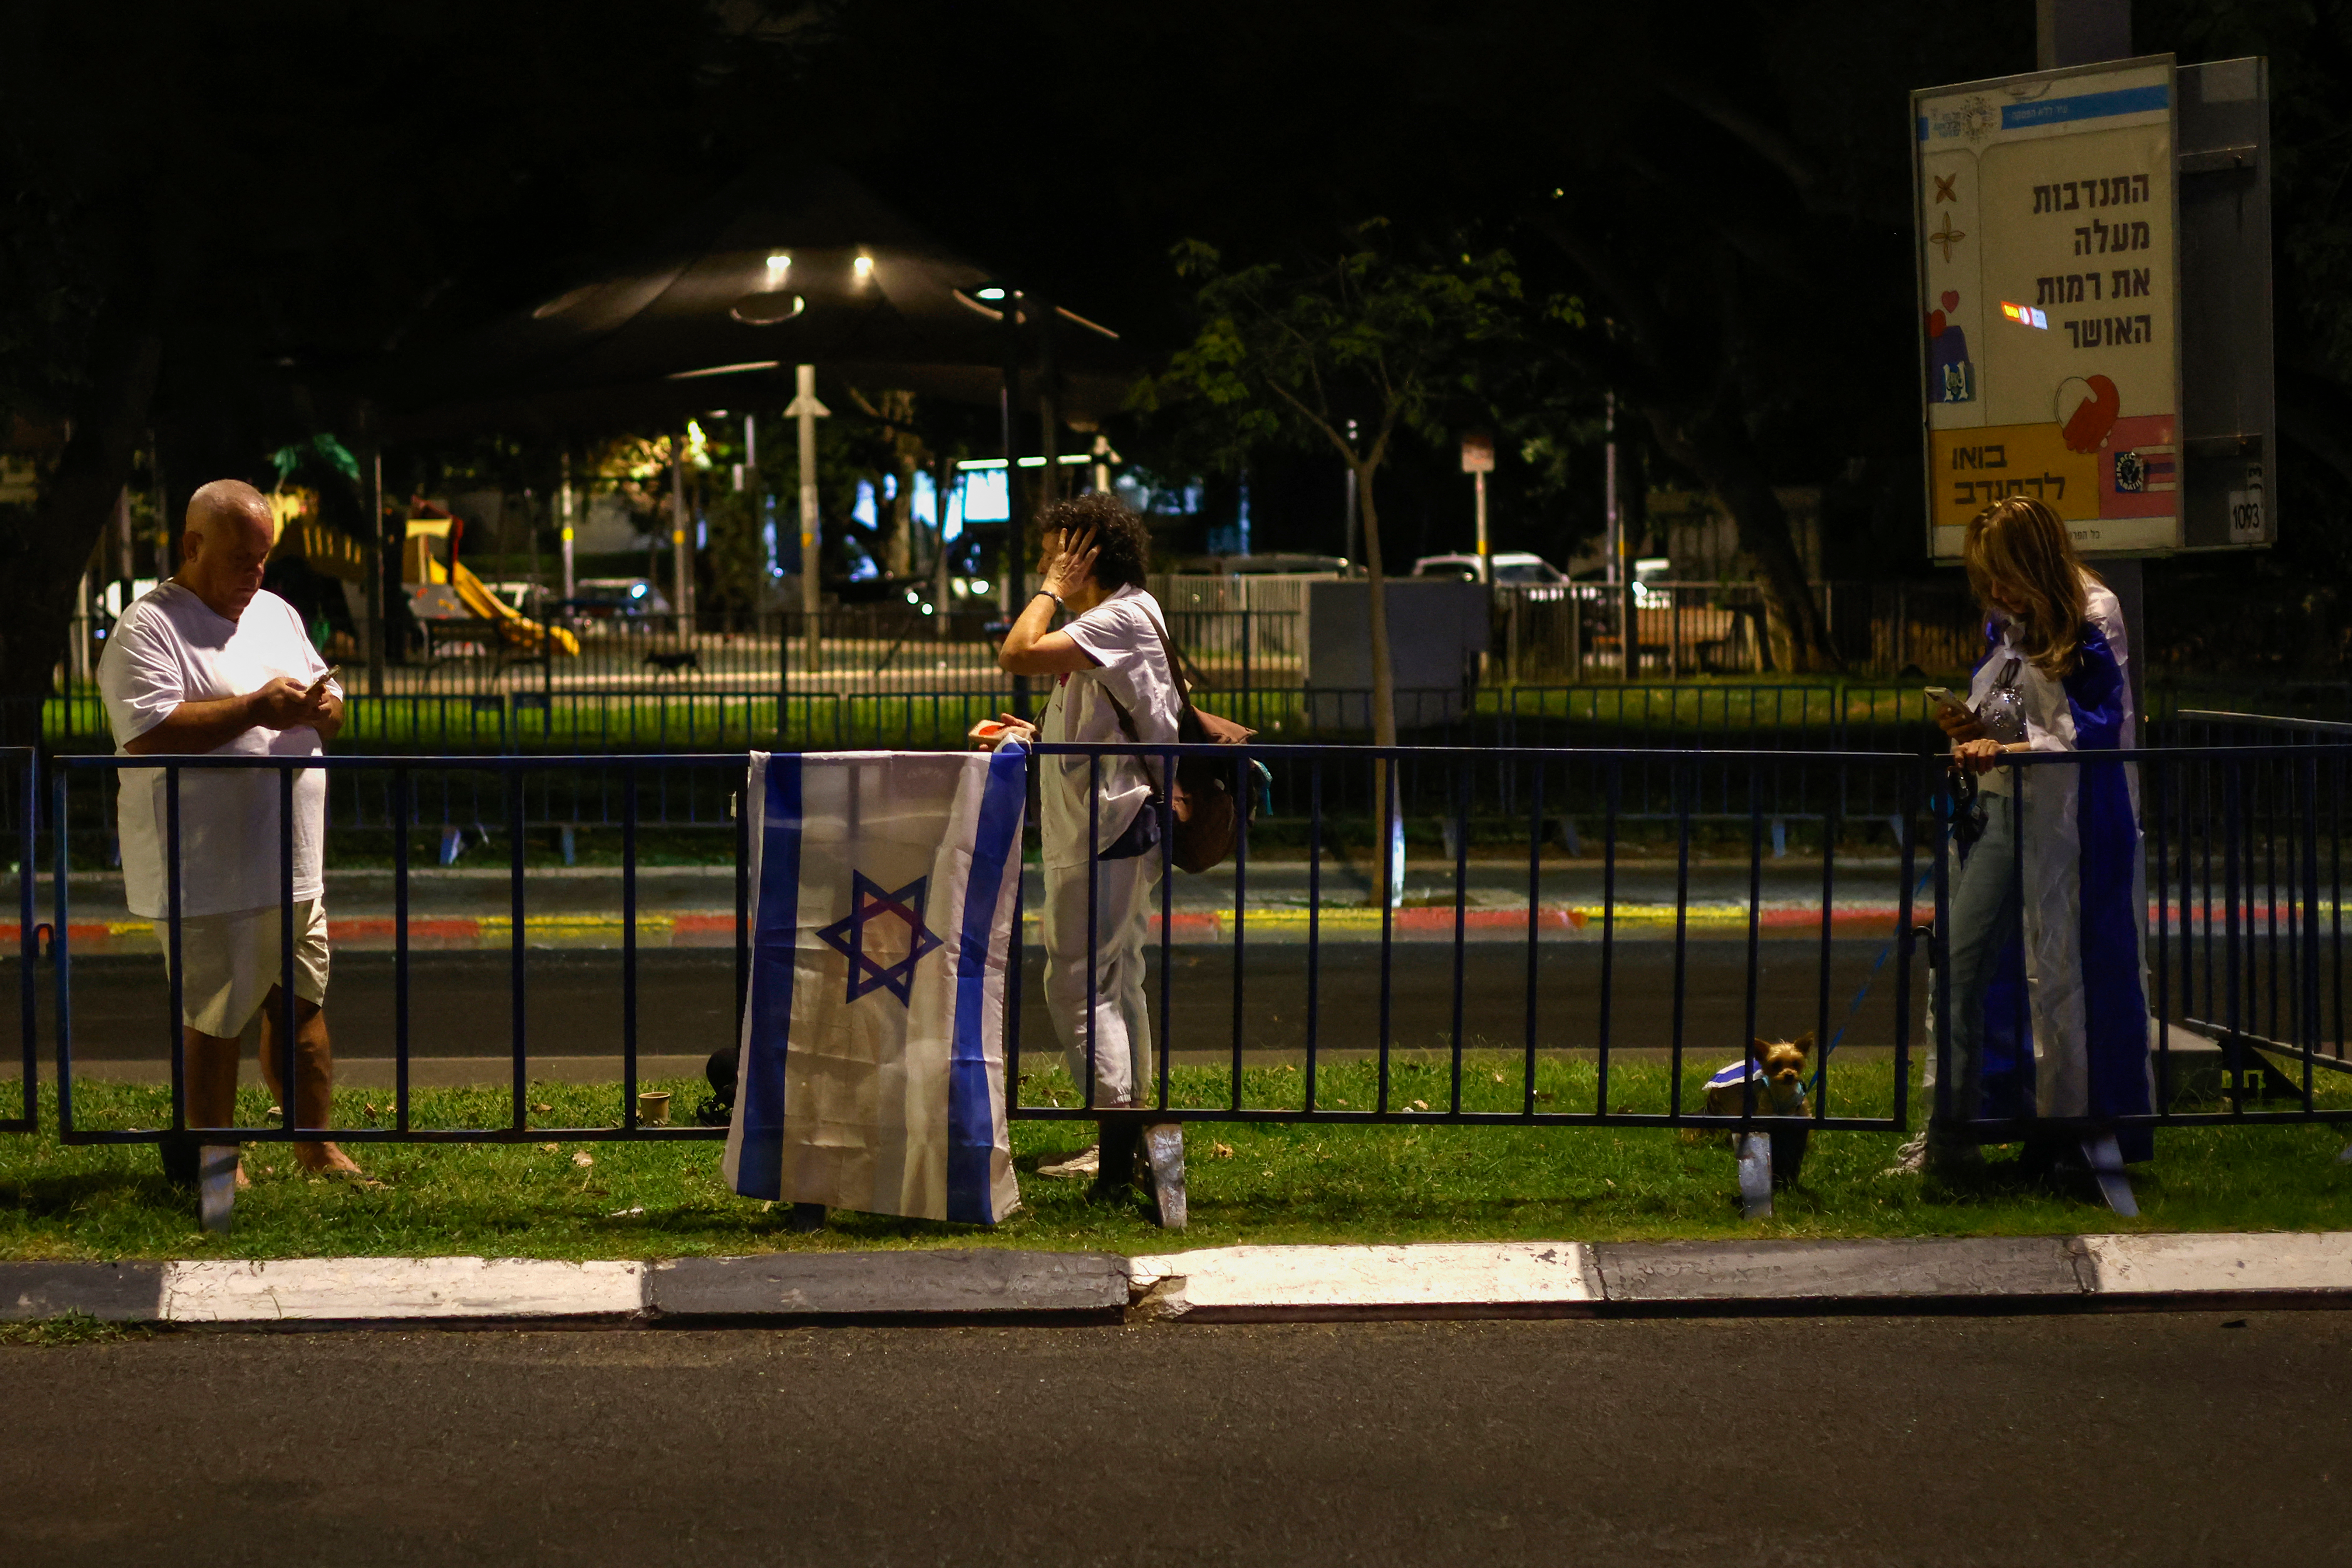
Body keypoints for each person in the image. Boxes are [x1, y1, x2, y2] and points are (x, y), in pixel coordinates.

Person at [97, 479, 362, 1183]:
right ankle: (218, 1169)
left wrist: (324, 709)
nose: (257, 574)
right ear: (192, 546)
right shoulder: (149, 627)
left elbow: (326, 699)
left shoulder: (275, 612)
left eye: (265, 558)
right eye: (243, 559)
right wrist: (253, 709)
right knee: (216, 1020)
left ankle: (317, 1149)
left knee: (303, 1008)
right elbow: (148, 730)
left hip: (292, 862)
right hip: (208, 871)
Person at [1897, 495, 2152, 1176]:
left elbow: (2094, 730)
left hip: (2068, 821)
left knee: (2050, 968)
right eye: (1987, 581)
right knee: (1974, 967)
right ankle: (1973, 1133)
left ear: (2033, 562)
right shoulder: (2017, 620)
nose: (1995, 594)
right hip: (2007, 812)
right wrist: (1978, 731)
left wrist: (2004, 745)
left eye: (2002, 576)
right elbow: (2023, 718)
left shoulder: (2091, 614)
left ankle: (2062, 1131)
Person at [987, 492, 1182, 1202]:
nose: (1045, 566)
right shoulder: (1122, 618)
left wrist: (1048, 593)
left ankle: (1116, 1151)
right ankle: (1121, 1138)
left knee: (1075, 984)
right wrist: (1038, 733)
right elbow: (1111, 711)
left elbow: (1017, 651)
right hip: (1109, 820)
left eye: (1055, 553)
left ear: (1085, 556)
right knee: (1114, 978)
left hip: (1107, 823)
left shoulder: (1119, 616)